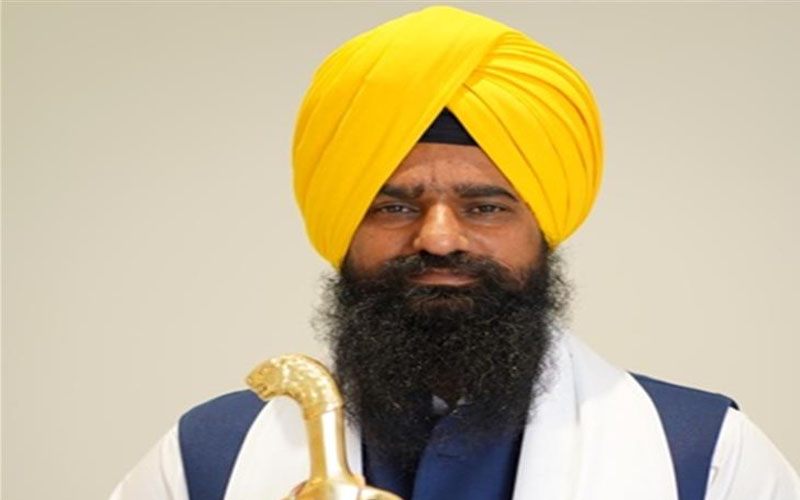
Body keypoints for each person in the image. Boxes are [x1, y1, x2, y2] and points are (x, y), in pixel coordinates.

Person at [109, 6, 800, 500]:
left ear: (543, 227)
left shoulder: (703, 454)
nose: (438, 238)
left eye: (485, 207)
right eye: (394, 207)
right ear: (343, 223)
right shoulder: (208, 458)